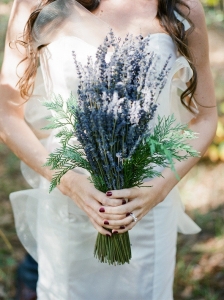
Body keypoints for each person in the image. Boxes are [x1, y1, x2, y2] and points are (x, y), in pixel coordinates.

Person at [0, 0, 217, 299]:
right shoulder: (39, 2)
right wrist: (70, 183)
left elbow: (205, 118)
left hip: (146, 203)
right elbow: (6, 113)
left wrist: (162, 185)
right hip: (68, 196)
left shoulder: (181, 7)